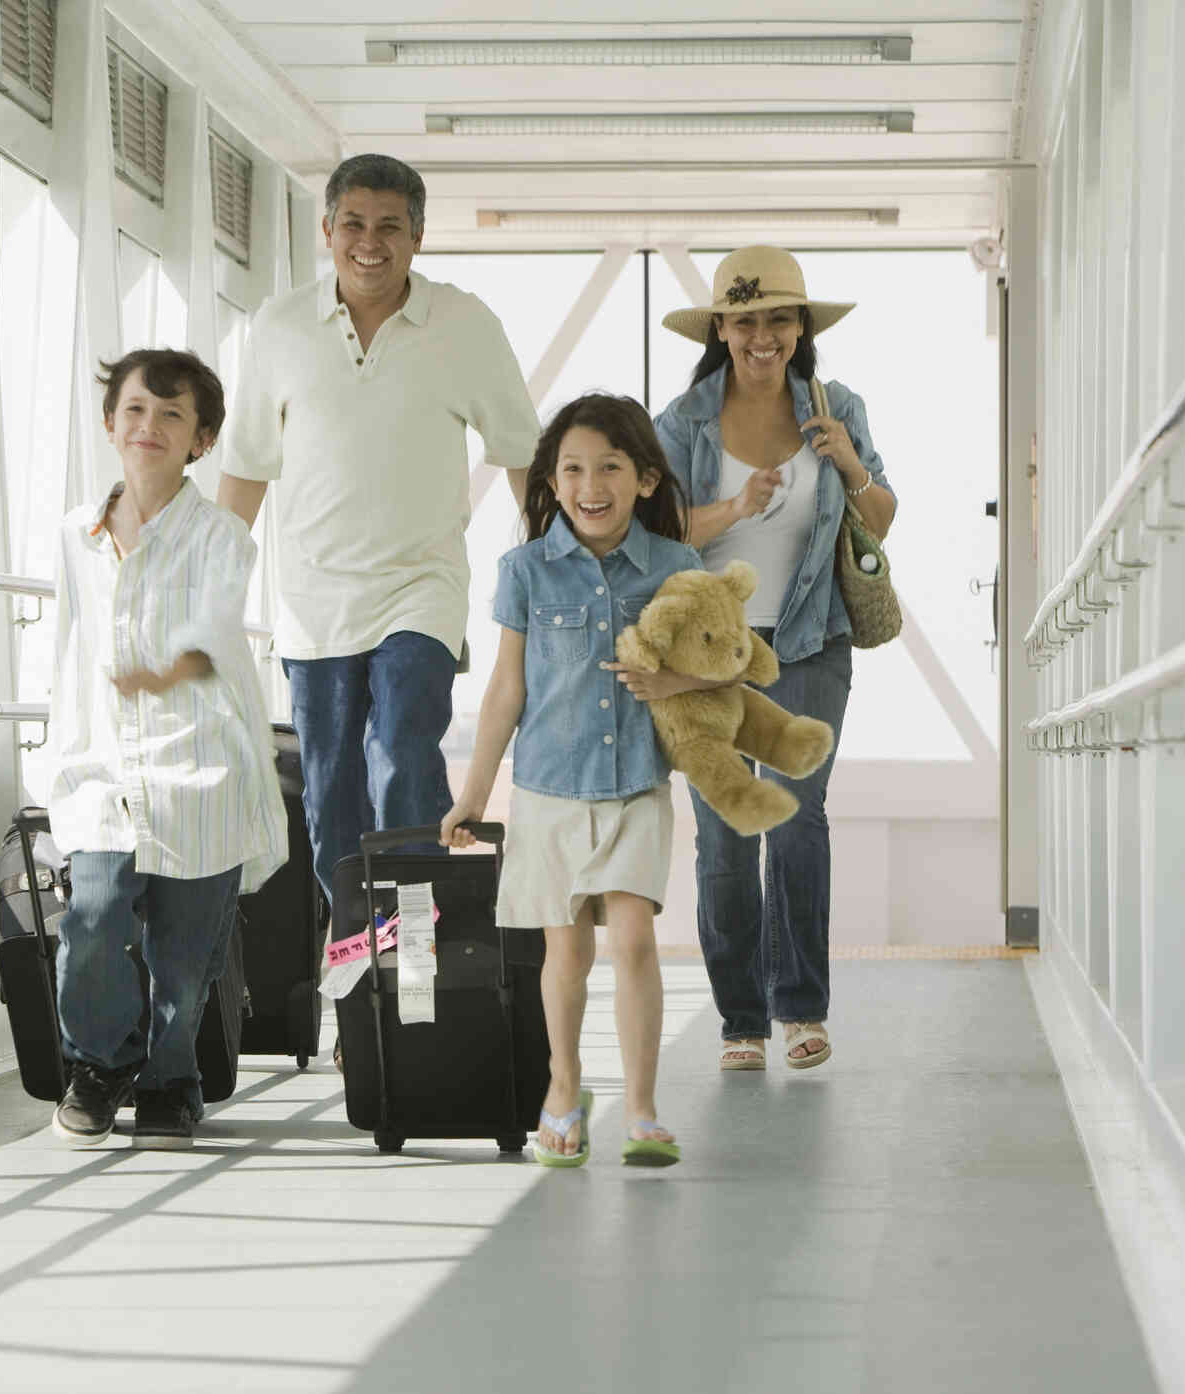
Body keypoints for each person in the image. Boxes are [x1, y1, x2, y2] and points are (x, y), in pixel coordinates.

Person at [213, 153, 539, 917]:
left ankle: (417, 945)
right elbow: (246, 467)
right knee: (330, 798)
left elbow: (523, 454)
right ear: (325, 230)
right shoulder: (280, 326)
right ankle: (360, 963)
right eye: (353, 224)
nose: (370, 242)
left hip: (418, 591)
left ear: (417, 238)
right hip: (312, 605)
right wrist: (206, 596)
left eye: (390, 227)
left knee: (399, 756)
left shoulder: (463, 323)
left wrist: (549, 570)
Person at [647, 246, 897, 1072]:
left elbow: (880, 519)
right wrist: (734, 507)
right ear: (719, 329)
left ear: (800, 329)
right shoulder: (680, 423)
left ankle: (800, 1009)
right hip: (708, 658)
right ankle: (740, 1022)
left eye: (778, 319)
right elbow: (654, 537)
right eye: (745, 320)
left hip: (809, 642)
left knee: (795, 820)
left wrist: (848, 462)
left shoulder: (838, 405)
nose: (763, 335)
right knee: (724, 837)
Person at [440, 394, 701, 1168]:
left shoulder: (677, 570)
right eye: (573, 469)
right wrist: (473, 795)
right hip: (549, 790)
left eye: (610, 467)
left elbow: (721, 673)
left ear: (645, 479)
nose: (591, 484)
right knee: (566, 958)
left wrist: (673, 683)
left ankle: (644, 1109)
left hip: (635, 789)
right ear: (551, 484)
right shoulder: (523, 570)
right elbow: (504, 691)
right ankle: (563, 1088)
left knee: (633, 940)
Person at [40, 349, 287, 1148]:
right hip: (103, 768)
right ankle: (97, 1064)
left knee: (184, 957)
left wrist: (167, 669)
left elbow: (211, 633)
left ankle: (170, 1079)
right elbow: (62, 647)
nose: (150, 427)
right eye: (136, 410)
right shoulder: (73, 537)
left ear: (202, 441)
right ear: (110, 423)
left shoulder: (222, 538)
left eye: (172, 415)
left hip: (199, 767)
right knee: (93, 917)